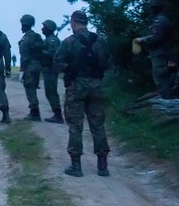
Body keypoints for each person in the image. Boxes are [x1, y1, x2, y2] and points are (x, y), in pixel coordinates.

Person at [55, 10, 112, 177]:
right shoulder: (99, 40)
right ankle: (103, 165)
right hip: (96, 86)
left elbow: (57, 64)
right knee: (98, 124)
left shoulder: (69, 42)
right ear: (86, 22)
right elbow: (107, 62)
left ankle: (76, 165)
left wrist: (70, 70)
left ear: (73, 22)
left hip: (76, 87)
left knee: (75, 125)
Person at [134, 0, 175, 98]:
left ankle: (167, 102)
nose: (149, 8)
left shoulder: (160, 20)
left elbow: (157, 37)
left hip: (161, 55)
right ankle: (166, 100)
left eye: (151, 6)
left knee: (162, 81)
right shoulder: (160, 19)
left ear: (155, 6)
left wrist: (142, 39)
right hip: (160, 54)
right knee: (161, 81)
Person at [19, 14, 45, 121]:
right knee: (33, 87)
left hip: (29, 66)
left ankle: (34, 113)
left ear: (24, 24)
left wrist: (22, 70)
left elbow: (24, 56)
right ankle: (34, 112)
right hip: (37, 65)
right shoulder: (37, 36)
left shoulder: (25, 39)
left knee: (30, 89)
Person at [40, 19, 64, 123]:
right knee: (49, 91)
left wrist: (40, 51)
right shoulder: (49, 40)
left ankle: (58, 115)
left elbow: (53, 54)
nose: (42, 29)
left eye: (44, 27)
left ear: (49, 29)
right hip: (48, 68)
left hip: (50, 68)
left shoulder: (52, 40)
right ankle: (56, 114)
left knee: (51, 91)